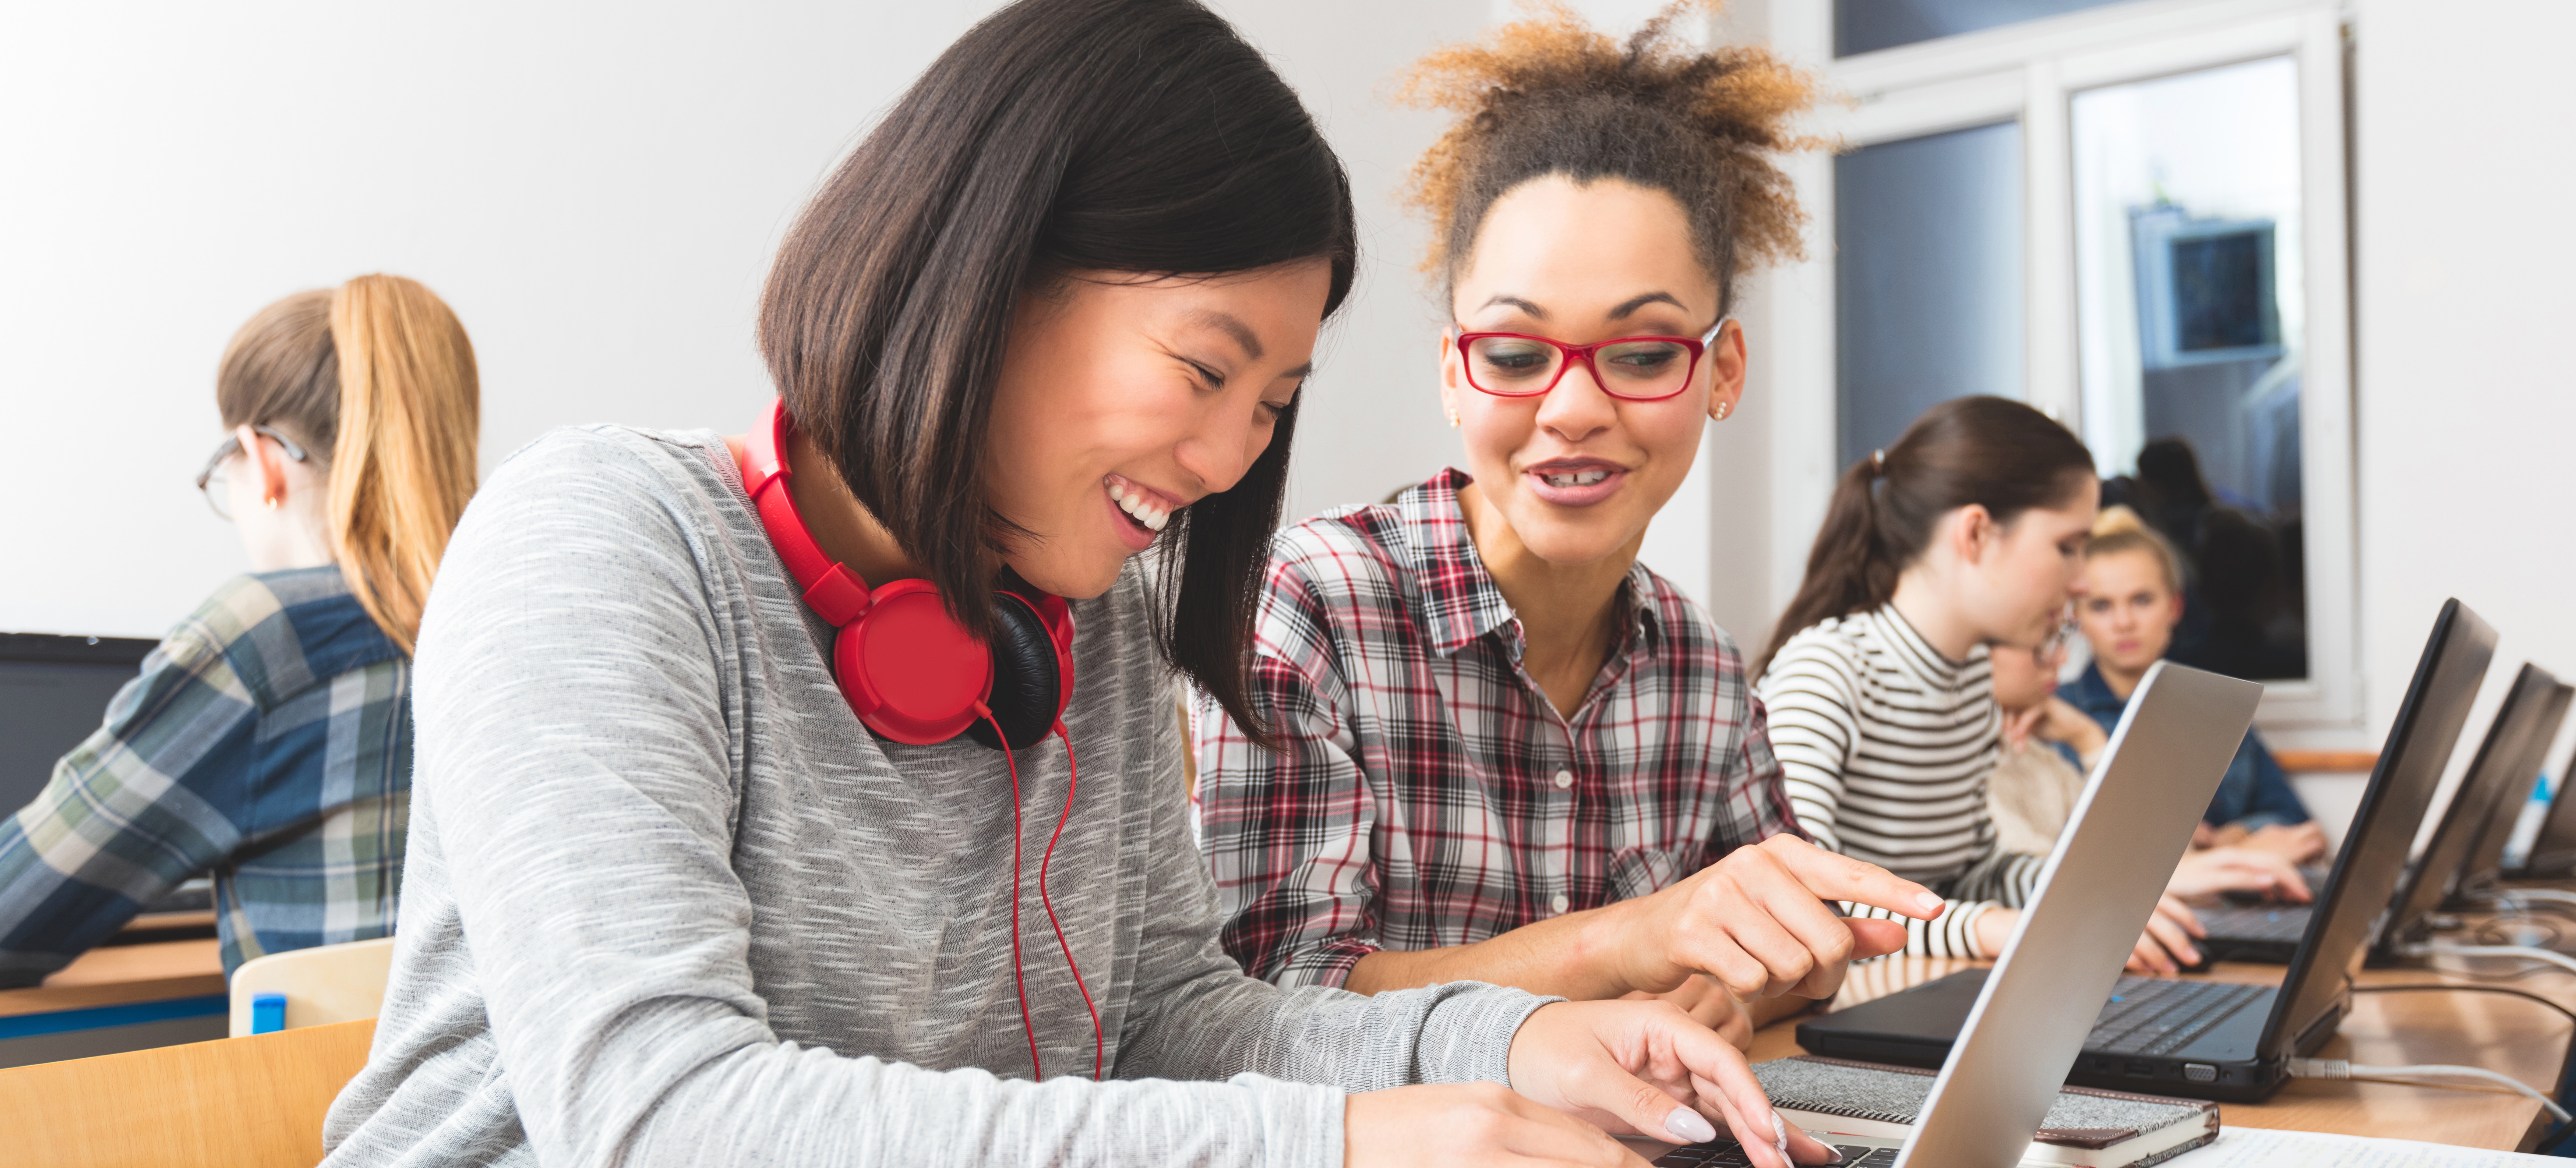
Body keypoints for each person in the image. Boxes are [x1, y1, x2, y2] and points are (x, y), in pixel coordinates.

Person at [319, 5, 1840, 1166]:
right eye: (1204, 367)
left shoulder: (1074, 618)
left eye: (1272, 400)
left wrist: (1523, 1043)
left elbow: (1177, 1019)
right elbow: (662, 1115)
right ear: (986, 270)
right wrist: (1345, 1141)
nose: (1232, 452)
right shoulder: (597, 542)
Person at [1193, 0, 1943, 1055]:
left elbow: (1802, 939)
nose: (1573, 408)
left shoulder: (1700, 669)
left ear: (1719, 372)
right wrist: (1632, 943)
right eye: (1513, 353)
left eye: (1640, 354)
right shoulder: (1309, 602)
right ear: (1454, 373)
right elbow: (1273, 997)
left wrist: (1730, 994)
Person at [0, 275, 478, 985]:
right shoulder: (508, 616)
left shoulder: (267, 638)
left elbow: (17, 910)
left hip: (333, 1093)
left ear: (263, 459)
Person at [1754, 396, 2208, 974]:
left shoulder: (1968, 679)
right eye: (2067, 547)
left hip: (1925, 983)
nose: (2081, 579)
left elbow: (1970, 870)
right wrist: (1988, 925)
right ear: (1975, 534)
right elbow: (1798, 898)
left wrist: (2091, 900)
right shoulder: (1828, 670)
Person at [1986, 623, 2313, 913]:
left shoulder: (2039, 758)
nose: (2060, 659)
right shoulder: (1973, 768)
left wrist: (2090, 740)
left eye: (2057, 640)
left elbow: (2157, 854)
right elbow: (2027, 886)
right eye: (2040, 646)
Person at [2069, 506, 2327, 863]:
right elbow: (2082, 858)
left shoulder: (2216, 710)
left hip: (2227, 904)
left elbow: (2297, 825)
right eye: (2101, 606)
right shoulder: (2059, 721)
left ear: (2174, 608)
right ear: (2076, 617)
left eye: (2142, 600)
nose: (2124, 622)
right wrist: (2227, 857)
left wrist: (2233, 838)